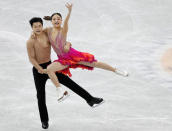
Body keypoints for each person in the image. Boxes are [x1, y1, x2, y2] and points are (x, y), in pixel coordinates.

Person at [26, 17, 104, 129]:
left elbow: (61, 38)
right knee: (40, 96)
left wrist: (68, 43)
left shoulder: (47, 34)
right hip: (38, 70)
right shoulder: (30, 41)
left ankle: (90, 99)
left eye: (39, 26)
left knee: (69, 82)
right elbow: (31, 58)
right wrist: (39, 68)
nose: (37, 28)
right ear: (31, 28)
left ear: (42, 26)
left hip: (50, 66)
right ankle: (44, 120)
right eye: (35, 27)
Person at [43, 3, 129, 99]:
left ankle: (116, 70)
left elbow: (67, 22)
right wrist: (67, 43)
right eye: (54, 19)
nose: (56, 20)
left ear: (61, 20)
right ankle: (60, 91)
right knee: (50, 69)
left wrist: (69, 11)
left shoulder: (63, 30)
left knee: (95, 63)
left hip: (72, 55)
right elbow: (38, 33)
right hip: (63, 59)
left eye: (58, 18)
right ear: (51, 21)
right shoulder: (48, 30)